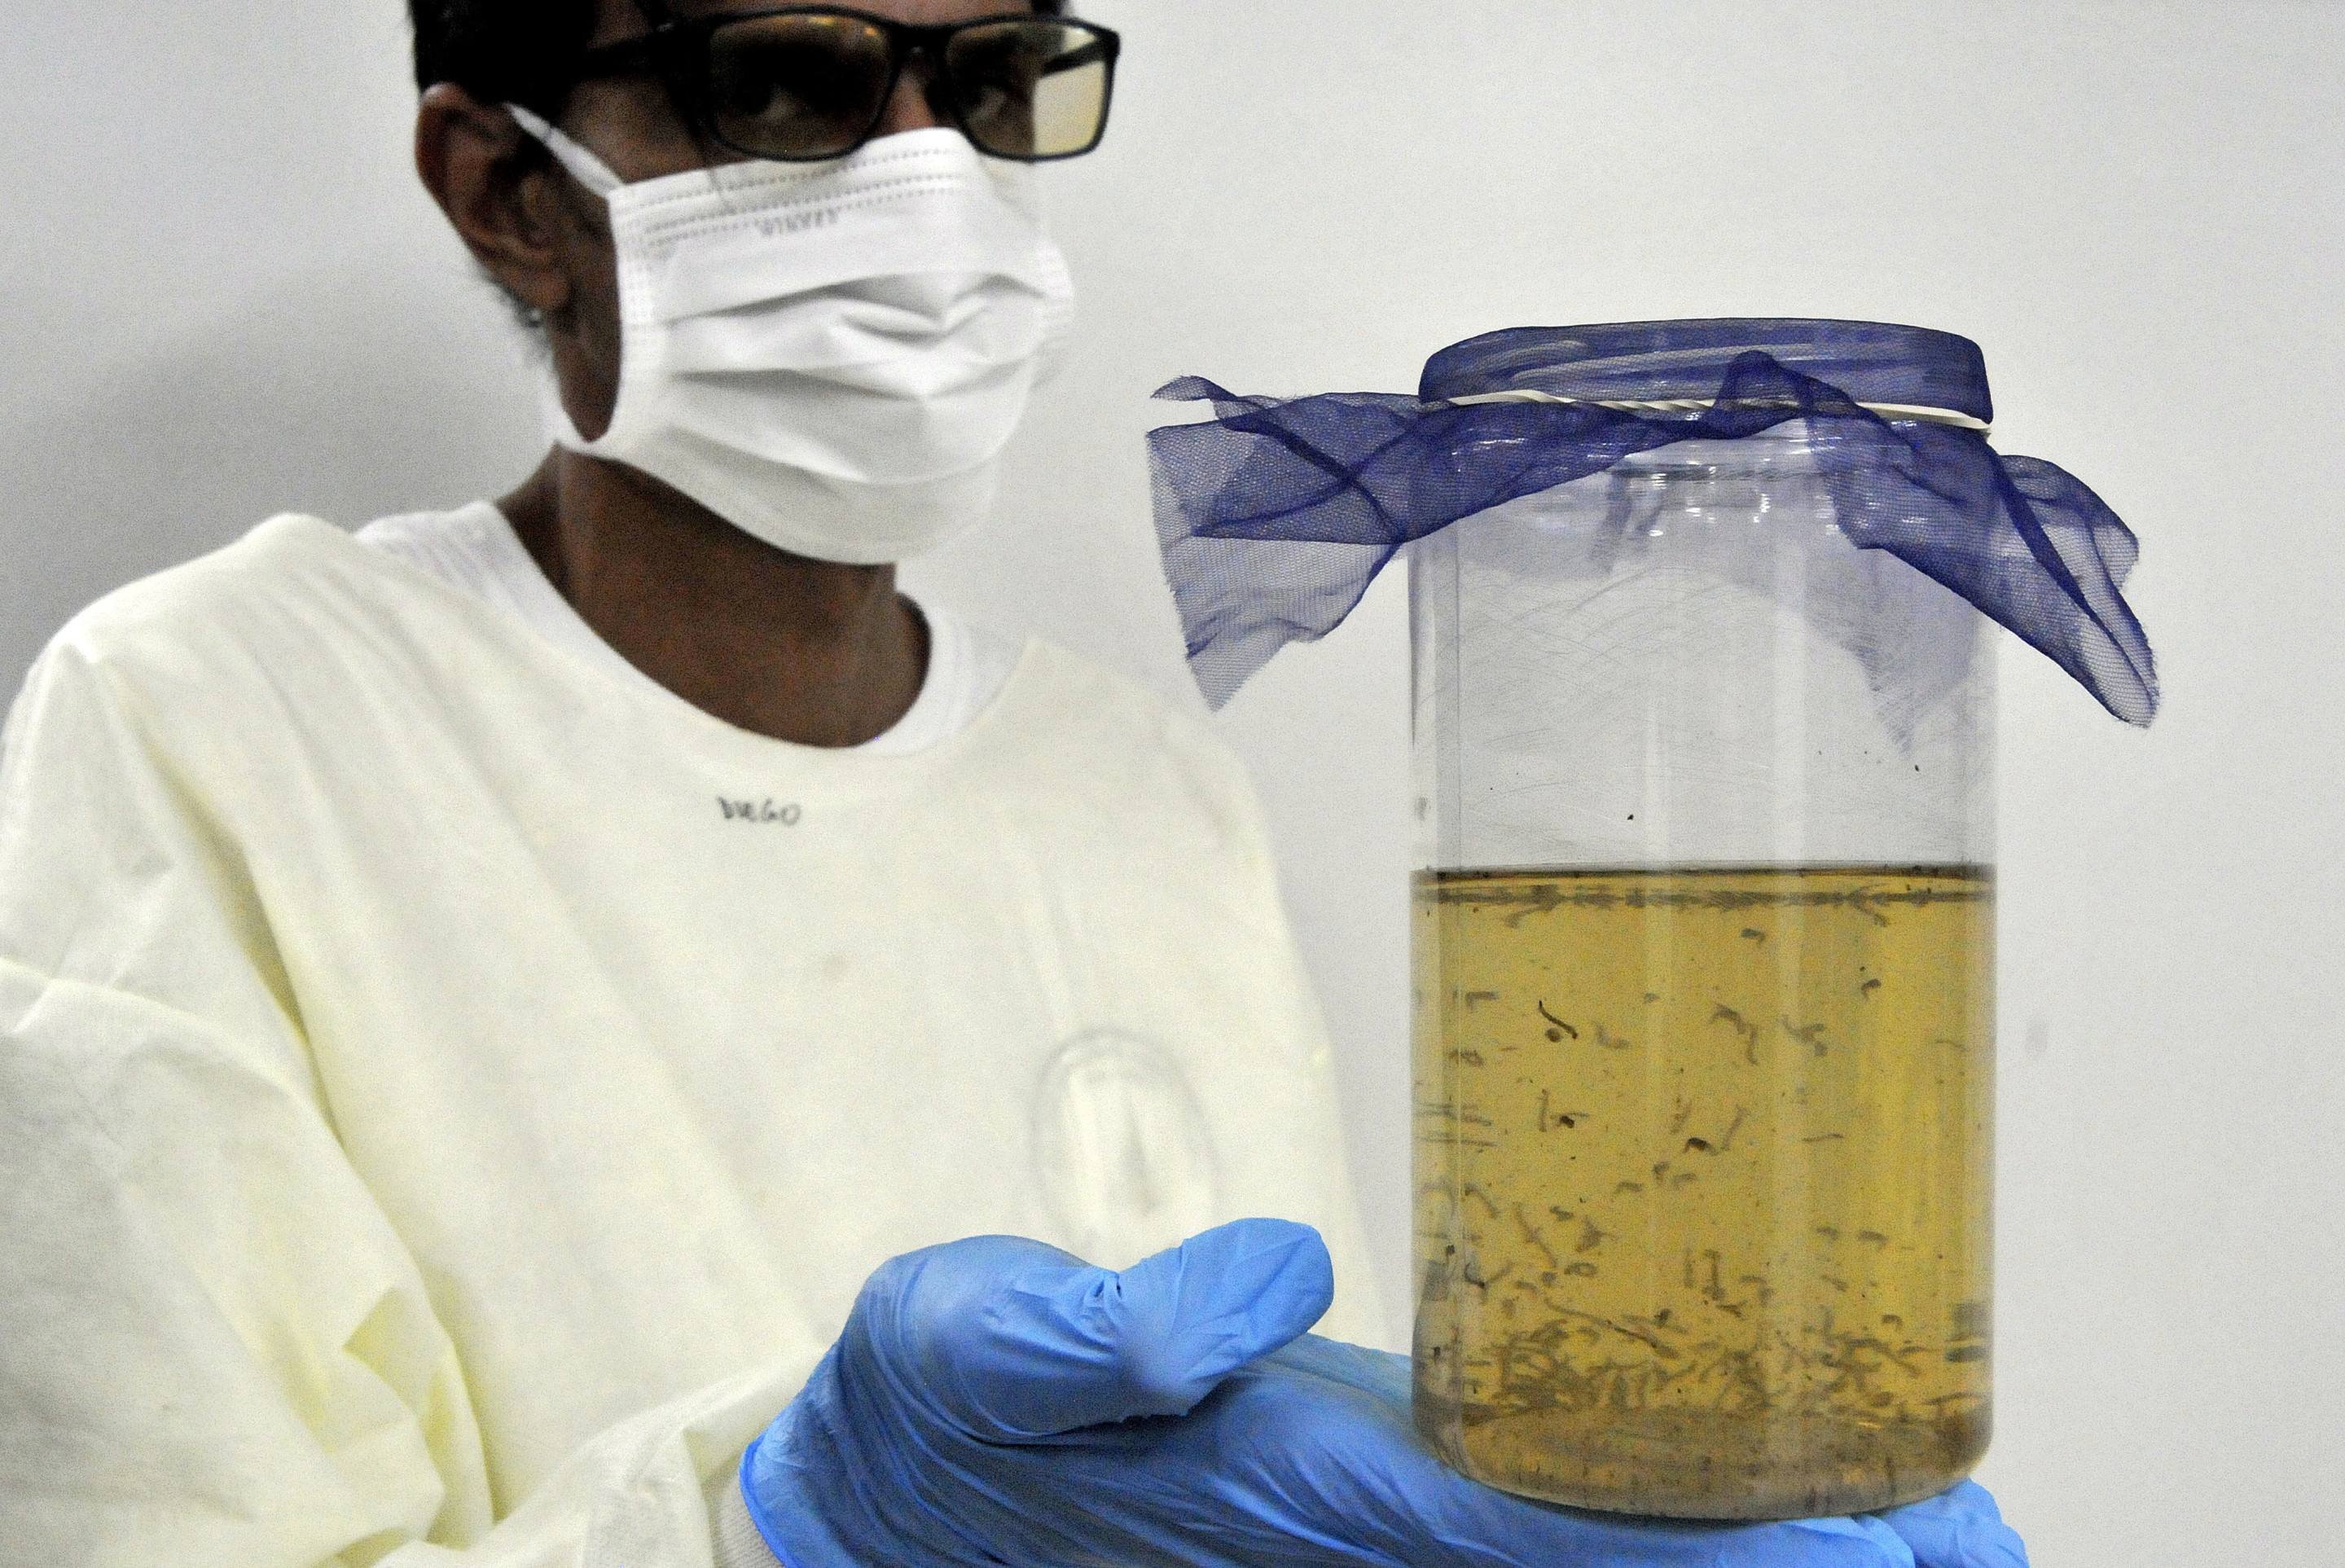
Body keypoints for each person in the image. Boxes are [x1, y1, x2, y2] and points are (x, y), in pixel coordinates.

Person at [0, 2, 2029, 1565]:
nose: (925, 184)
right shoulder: (219, 720)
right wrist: (795, 1519)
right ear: (509, 189)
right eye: (783, 83)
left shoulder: (1134, 780)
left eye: (987, 86)